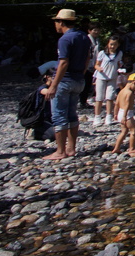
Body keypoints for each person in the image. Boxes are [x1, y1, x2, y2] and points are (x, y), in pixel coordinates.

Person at [43, 8, 93, 161]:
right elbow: (88, 58)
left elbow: (63, 62)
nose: (55, 25)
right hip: (78, 79)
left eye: (56, 22)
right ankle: (71, 148)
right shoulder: (84, 37)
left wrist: (53, 85)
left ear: (61, 22)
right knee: (72, 114)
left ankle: (60, 151)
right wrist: (82, 74)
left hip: (65, 81)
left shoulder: (65, 39)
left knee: (59, 116)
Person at [112, 72, 135, 155]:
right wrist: (125, 116)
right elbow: (127, 104)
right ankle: (131, 148)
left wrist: (115, 114)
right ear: (134, 82)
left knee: (123, 131)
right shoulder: (129, 93)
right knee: (134, 130)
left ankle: (116, 148)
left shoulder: (122, 91)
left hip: (120, 112)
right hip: (127, 114)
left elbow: (116, 103)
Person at [93, 35, 123, 126]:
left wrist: (120, 67)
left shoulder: (119, 53)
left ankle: (109, 116)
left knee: (110, 97)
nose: (112, 46)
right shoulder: (102, 53)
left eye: (115, 45)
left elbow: (118, 63)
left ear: (118, 45)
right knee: (99, 97)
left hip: (112, 77)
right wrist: (99, 69)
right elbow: (96, 64)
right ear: (108, 44)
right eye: (111, 44)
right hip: (101, 77)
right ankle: (97, 117)